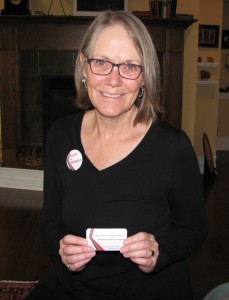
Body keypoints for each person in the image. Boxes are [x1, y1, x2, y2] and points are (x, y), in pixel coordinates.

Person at [25, 10, 207, 300]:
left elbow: (195, 228)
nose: (113, 80)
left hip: (149, 290)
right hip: (74, 287)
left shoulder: (173, 147)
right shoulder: (60, 136)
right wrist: (61, 245)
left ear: (145, 75)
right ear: (83, 66)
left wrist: (160, 251)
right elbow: (49, 222)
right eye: (101, 63)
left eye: (130, 66)